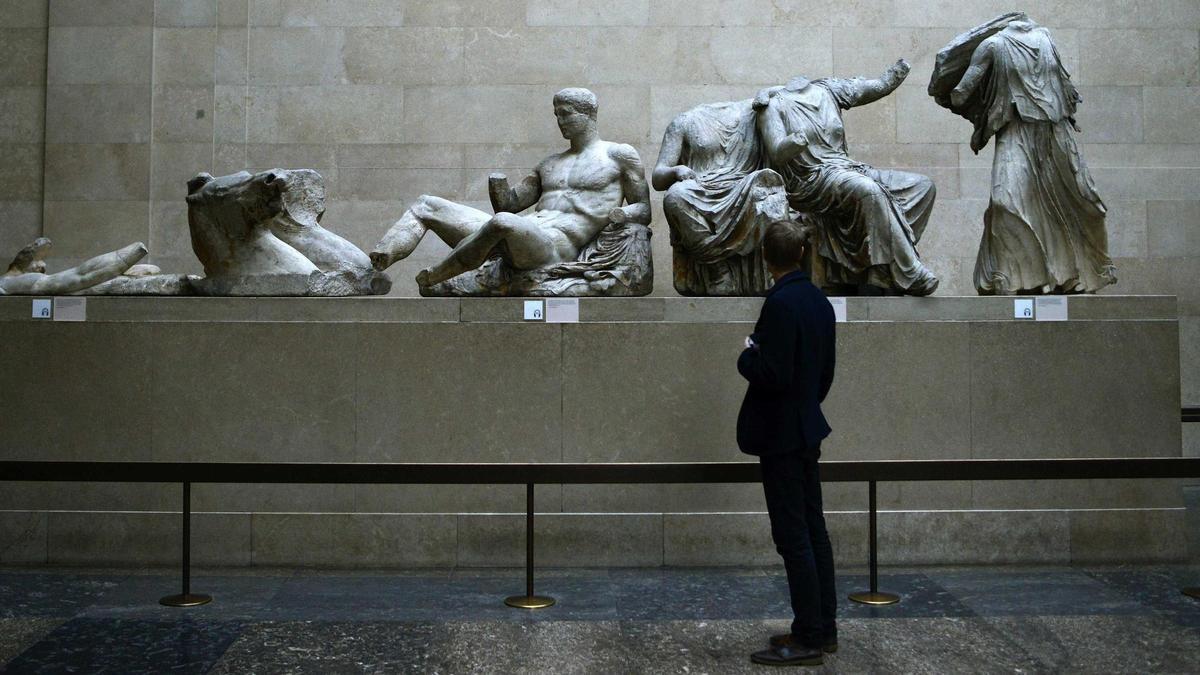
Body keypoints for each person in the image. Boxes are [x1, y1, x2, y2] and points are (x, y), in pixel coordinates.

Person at [369, 88, 651, 288]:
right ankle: (377, 262)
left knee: (502, 224)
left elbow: (644, 208)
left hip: (554, 247)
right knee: (427, 204)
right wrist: (497, 182)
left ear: (588, 114)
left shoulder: (618, 155)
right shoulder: (550, 163)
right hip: (516, 233)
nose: (560, 121)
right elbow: (510, 204)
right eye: (556, 115)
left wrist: (622, 216)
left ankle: (438, 274)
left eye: (566, 114)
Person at [946, 18, 1116, 295]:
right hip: (1015, 130)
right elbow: (960, 92)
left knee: (1080, 201)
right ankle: (1016, 277)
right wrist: (980, 103)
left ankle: (1071, 275)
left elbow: (1063, 84)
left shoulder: (1046, 38)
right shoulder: (992, 45)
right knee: (1005, 202)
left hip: (1055, 132)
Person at [737, 220, 837, 667]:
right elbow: (824, 373)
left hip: (781, 432)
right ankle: (822, 627)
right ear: (799, 254)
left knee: (793, 536)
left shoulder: (779, 303)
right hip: (806, 426)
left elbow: (771, 372)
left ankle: (808, 636)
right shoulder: (818, 300)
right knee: (813, 531)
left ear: (766, 258)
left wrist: (746, 355)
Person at [756, 59, 939, 296]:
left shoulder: (828, 90)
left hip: (847, 169)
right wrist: (793, 143)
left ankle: (879, 267)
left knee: (922, 187)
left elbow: (878, 86)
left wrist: (897, 73)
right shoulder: (772, 104)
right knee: (868, 190)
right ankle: (909, 269)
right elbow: (777, 152)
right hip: (811, 180)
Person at [653, 97, 789, 295]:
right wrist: (675, 171)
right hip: (701, 190)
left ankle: (770, 275)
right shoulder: (683, 122)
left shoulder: (758, 112)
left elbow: (787, 94)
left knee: (768, 188)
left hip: (744, 188)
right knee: (675, 196)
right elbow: (658, 177)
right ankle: (716, 269)